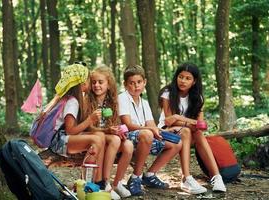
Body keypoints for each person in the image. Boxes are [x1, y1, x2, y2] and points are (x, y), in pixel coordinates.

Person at [158, 62, 226, 194]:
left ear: (194, 82)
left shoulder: (197, 98)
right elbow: (169, 121)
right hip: (166, 132)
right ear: (176, 77)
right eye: (180, 77)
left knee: (198, 134)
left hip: (186, 133)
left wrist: (179, 117)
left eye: (188, 78)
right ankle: (186, 178)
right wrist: (188, 121)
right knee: (187, 130)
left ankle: (217, 177)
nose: (183, 81)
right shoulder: (167, 93)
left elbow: (200, 126)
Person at [118, 65, 182, 196]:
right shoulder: (122, 98)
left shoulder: (144, 103)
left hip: (144, 137)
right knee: (147, 134)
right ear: (125, 84)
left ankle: (150, 175)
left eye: (139, 82)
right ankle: (136, 177)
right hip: (126, 137)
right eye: (131, 83)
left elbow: (152, 126)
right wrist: (151, 129)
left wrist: (166, 132)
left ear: (144, 82)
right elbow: (128, 124)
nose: (136, 86)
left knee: (177, 143)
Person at [48, 63, 105, 186]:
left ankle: (93, 181)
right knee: (96, 140)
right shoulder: (72, 101)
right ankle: (87, 183)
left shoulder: (69, 98)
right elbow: (70, 131)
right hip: (58, 141)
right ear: (83, 83)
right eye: (89, 80)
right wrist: (90, 120)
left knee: (99, 136)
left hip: (61, 138)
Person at [84, 66, 133, 199]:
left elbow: (115, 122)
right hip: (95, 136)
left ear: (109, 84)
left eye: (100, 82)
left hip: (108, 135)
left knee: (128, 145)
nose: (96, 85)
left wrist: (119, 130)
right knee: (115, 140)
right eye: (93, 82)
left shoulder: (113, 101)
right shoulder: (87, 100)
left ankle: (117, 183)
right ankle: (105, 182)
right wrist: (108, 130)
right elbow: (88, 127)